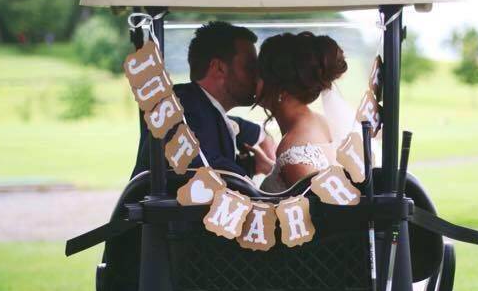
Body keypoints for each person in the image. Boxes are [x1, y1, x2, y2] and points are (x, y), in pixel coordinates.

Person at [131, 21, 276, 178]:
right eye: (249, 67)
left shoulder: (196, 105)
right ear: (219, 68)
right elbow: (214, 178)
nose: (257, 77)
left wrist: (258, 142)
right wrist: (272, 173)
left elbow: (228, 127)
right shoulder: (185, 113)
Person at [254, 32, 348, 193]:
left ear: (280, 88)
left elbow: (320, 214)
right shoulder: (320, 122)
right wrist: (269, 167)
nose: (253, 79)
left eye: (259, 73)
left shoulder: (294, 152)